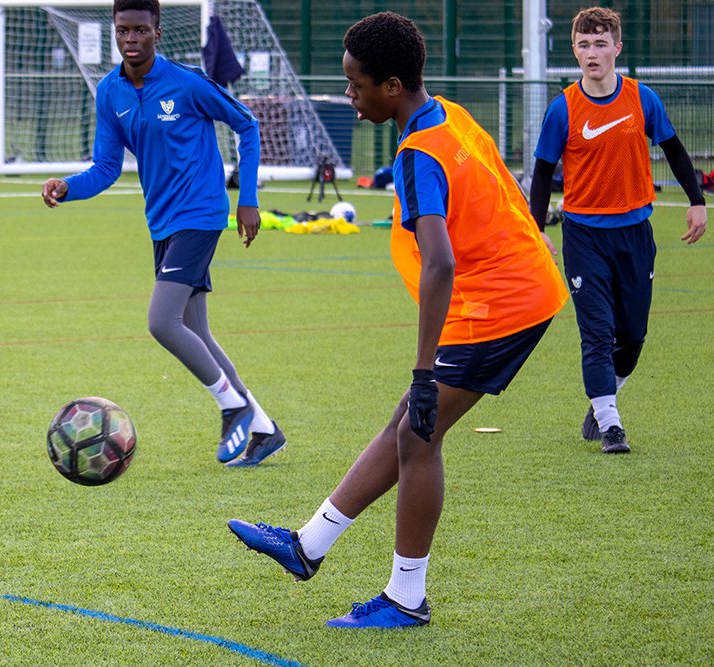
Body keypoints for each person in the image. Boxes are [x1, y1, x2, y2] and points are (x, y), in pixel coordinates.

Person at [227, 12, 568, 629]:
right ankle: (308, 546)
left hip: (499, 305)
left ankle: (406, 598)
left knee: (419, 435)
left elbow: (438, 264)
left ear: (391, 86)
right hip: (508, 293)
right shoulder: (449, 114)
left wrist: (422, 371)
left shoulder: (416, 155)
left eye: (356, 85)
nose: (351, 98)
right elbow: (508, 186)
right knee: (407, 430)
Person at [41, 0, 284, 466]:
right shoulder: (110, 92)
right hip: (163, 222)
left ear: (157, 31)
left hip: (201, 214)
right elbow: (107, 167)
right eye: (122, 31)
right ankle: (263, 428)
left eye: (139, 30)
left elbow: (247, 124)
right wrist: (67, 187)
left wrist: (247, 197)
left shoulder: (187, 82)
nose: (130, 39)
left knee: (161, 321)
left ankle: (231, 406)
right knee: (197, 332)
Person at [528, 7, 708, 454]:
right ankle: (611, 424)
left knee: (631, 336)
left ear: (617, 49)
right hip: (584, 236)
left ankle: (603, 397)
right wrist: (537, 230)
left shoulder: (642, 99)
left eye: (601, 44)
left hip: (635, 234)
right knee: (596, 332)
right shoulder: (563, 108)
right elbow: (541, 174)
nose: (593, 53)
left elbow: (675, 150)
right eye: (584, 45)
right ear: (574, 50)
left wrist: (698, 201)